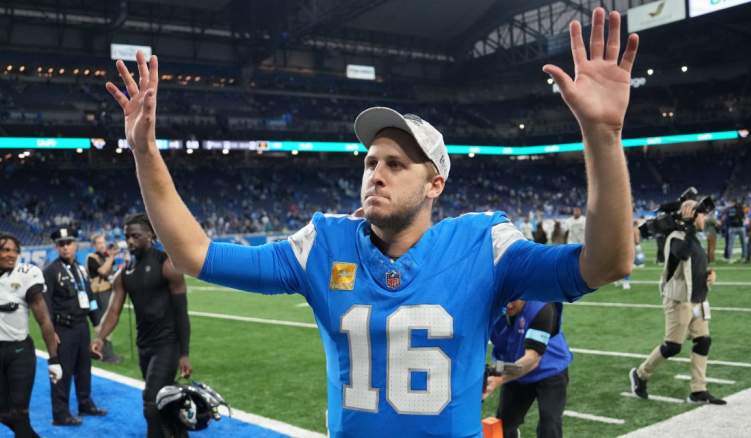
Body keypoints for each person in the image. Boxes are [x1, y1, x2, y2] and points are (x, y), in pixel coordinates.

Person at [106, 7, 637, 436]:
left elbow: (607, 262)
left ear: (435, 185)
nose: (376, 174)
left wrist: (603, 135)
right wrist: (144, 151)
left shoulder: (484, 243)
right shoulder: (322, 244)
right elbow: (196, 254)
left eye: (396, 164)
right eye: (370, 162)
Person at [91, 214, 192, 438]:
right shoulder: (125, 272)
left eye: (136, 236)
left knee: (150, 400)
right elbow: (113, 311)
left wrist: (184, 353)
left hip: (167, 343)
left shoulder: (167, 264)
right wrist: (100, 338)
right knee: (165, 397)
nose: (130, 242)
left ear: (151, 235)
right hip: (144, 344)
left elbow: (181, 312)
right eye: (127, 236)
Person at [630, 199, 726, 405]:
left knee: (704, 340)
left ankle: (698, 390)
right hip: (678, 301)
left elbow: (696, 264)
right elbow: (682, 254)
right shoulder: (674, 237)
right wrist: (688, 225)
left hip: (699, 300)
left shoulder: (693, 238)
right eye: (700, 214)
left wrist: (709, 274)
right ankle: (641, 374)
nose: (704, 218)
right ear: (690, 216)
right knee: (672, 347)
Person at [42, 228, 107, 426]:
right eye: (61, 244)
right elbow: (45, 305)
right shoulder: (51, 272)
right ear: (56, 247)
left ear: (75, 245)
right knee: (62, 372)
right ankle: (60, 414)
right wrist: (51, 332)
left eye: (68, 243)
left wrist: (97, 323)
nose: (65, 247)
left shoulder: (81, 269)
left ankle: (85, 403)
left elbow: (91, 297)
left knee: (84, 368)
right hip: (63, 329)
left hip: (82, 327)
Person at [0, 233, 62, 438]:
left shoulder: (26, 274)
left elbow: (43, 319)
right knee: (4, 413)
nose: (11, 255)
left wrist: (54, 359)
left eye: (15, 250)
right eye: (5, 249)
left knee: (19, 415)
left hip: (19, 352)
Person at [482, 300, 571, 438]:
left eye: (514, 300)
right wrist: (490, 370)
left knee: (549, 425)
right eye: (506, 298)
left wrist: (499, 376)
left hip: (549, 369)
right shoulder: (491, 309)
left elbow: (532, 359)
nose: (508, 304)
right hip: (513, 366)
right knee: (505, 423)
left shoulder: (542, 308)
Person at [86, 233, 121, 363]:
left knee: (106, 323)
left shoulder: (104, 256)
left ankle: (104, 352)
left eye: (103, 242)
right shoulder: (92, 258)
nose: (102, 245)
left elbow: (111, 272)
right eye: (99, 243)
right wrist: (111, 257)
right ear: (94, 245)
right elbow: (102, 271)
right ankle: (106, 355)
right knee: (102, 323)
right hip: (98, 294)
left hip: (107, 291)